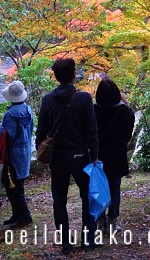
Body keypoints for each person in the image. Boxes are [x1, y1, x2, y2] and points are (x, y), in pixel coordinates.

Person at [35, 58, 99, 254]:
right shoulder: (84, 98)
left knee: (59, 199)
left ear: (55, 75)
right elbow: (91, 130)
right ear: (73, 74)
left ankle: (65, 243)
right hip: (81, 156)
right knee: (88, 197)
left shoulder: (47, 100)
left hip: (58, 158)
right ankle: (88, 240)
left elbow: (41, 131)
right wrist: (94, 155)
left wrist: (42, 151)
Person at [0, 80, 34, 227]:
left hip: (12, 155)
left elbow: (7, 136)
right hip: (25, 152)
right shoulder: (27, 110)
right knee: (17, 185)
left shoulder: (10, 115)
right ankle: (17, 215)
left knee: (14, 187)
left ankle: (24, 217)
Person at [94, 78, 135, 232]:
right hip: (117, 156)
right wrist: (126, 103)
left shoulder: (93, 111)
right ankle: (112, 221)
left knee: (98, 189)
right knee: (114, 188)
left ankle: (100, 221)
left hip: (98, 157)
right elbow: (127, 135)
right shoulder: (125, 112)